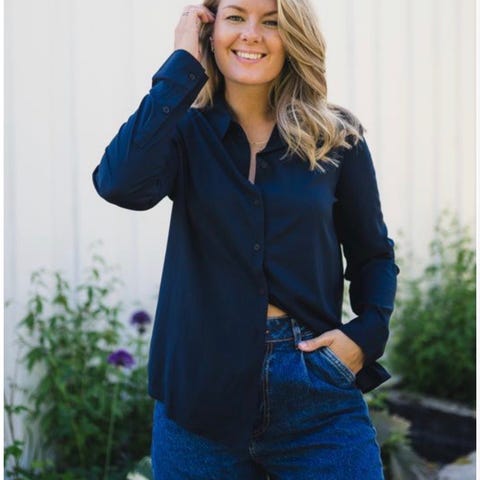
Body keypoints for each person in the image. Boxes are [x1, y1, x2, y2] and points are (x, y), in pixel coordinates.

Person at [92, 0, 400, 478]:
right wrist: (181, 66)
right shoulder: (182, 132)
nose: (251, 34)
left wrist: (365, 336)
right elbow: (118, 183)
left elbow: (372, 254)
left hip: (315, 388)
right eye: (236, 17)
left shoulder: (336, 136)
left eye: (272, 21)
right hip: (198, 393)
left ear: (294, 36)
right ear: (210, 31)